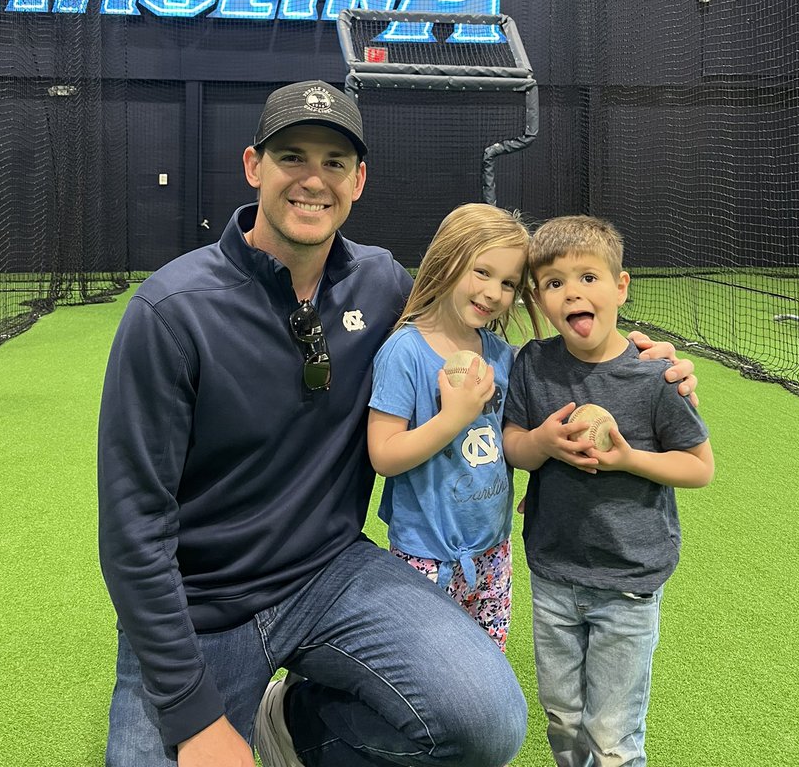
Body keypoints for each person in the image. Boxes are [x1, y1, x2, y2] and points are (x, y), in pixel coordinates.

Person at [97, 80, 700, 767]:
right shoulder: (171, 312)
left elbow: (473, 318)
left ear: (359, 180)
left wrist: (639, 360)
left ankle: (296, 720)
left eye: (333, 162)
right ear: (252, 166)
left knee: (487, 722)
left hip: (331, 572)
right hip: (204, 600)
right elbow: (132, 530)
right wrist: (195, 719)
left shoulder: (380, 283)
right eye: (292, 156)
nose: (312, 180)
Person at [503, 215, 714, 767]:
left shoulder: (653, 376)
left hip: (627, 581)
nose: (572, 291)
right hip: (553, 574)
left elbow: (699, 467)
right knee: (564, 719)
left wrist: (627, 459)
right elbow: (512, 446)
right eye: (554, 283)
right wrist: (543, 442)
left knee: (613, 738)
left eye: (589, 277)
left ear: (621, 286)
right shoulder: (534, 366)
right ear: (539, 299)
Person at [368, 203, 538, 651]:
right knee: (422, 669)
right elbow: (384, 455)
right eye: (481, 272)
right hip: (424, 555)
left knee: (484, 664)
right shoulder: (404, 352)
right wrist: (453, 418)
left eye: (508, 283)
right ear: (447, 259)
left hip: (493, 549)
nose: (494, 292)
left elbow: (508, 443)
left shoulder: (500, 354)